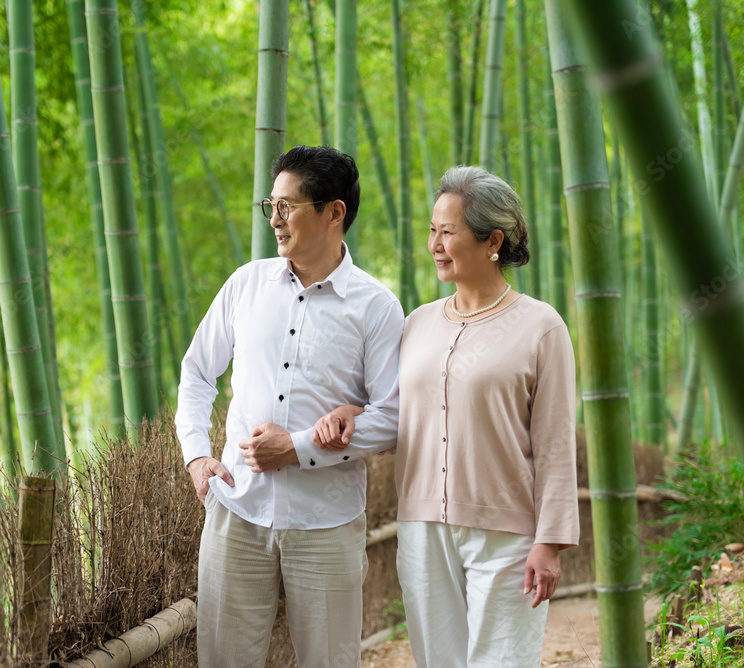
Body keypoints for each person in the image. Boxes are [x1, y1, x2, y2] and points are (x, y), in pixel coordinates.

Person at [315, 165, 579, 667]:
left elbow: (555, 442)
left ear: (492, 241)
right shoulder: (417, 324)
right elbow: (396, 412)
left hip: (507, 535)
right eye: (432, 230)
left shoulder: (541, 327)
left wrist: (550, 542)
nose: (435, 243)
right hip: (421, 527)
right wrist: (355, 410)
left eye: (448, 232)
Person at [174, 145, 404, 667]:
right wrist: (195, 455)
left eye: (288, 206)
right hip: (236, 510)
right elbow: (195, 374)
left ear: (334, 212)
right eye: (270, 206)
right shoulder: (245, 285)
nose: (274, 220)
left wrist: (297, 450)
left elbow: (392, 419)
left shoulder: (376, 307)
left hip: (326, 522)